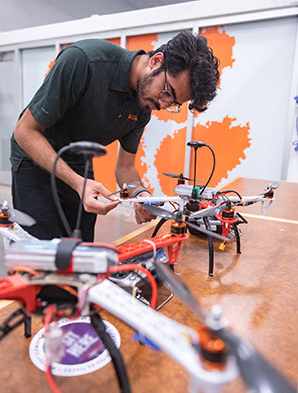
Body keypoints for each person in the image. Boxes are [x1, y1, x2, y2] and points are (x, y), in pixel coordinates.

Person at [10, 30, 220, 241]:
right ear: (156, 61)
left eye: (174, 104)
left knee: (81, 251)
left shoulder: (143, 107)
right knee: (42, 254)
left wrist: (141, 195)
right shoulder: (84, 60)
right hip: (34, 161)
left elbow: (125, 169)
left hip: (79, 165)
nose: (163, 105)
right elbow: (24, 131)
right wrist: (77, 183)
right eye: (167, 92)